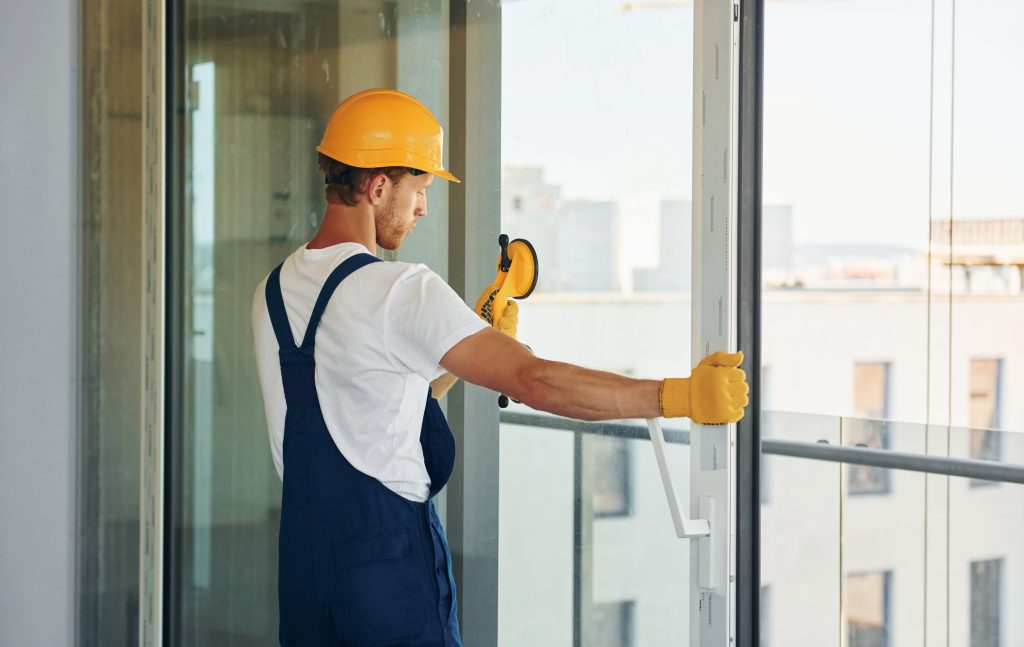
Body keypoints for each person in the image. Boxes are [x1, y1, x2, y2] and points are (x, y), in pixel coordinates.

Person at [252, 88, 749, 647]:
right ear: (378, 186)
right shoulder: (398, 287)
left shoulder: (274, 291)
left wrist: (479, 333)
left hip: (304, 573)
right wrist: (677, 396)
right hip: (386, 577)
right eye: (419, 188)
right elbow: (534, 380)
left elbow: (372, 404)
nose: (422, 208)